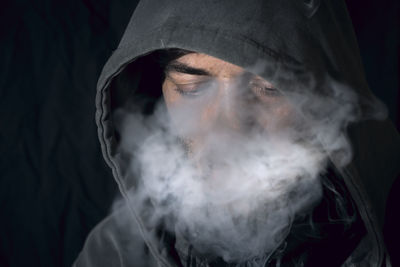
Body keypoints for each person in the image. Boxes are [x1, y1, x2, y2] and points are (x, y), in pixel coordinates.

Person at [73, 0, 400, 266]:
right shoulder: (116, 252)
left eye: (269, 88)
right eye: (192, 87)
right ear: (158, 93)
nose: (227, 128)